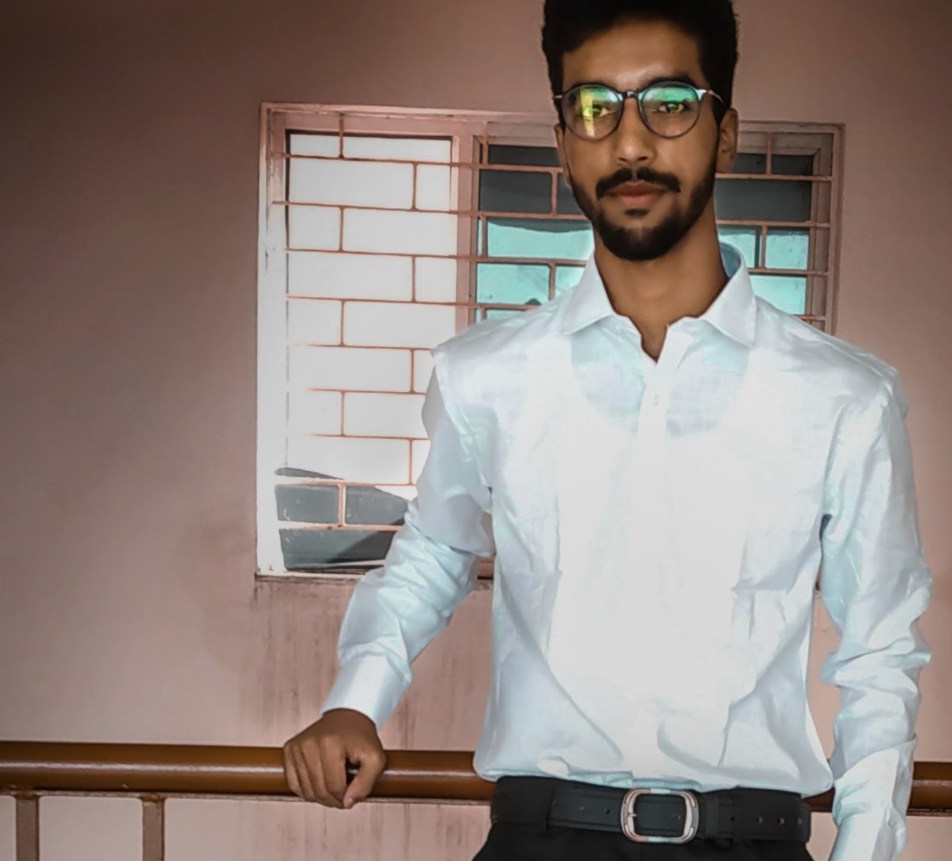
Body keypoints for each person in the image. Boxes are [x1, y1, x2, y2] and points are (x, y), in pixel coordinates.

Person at [283, 1, 933, 858]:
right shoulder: (488, 377)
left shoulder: (844, 398)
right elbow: (433, 553)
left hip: (753, 841)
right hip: (543, 838)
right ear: (565, 142)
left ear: (726, 134)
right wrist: (355, 699)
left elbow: (881, 654)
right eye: (594, 107)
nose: (630, 143)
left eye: (669, 104)